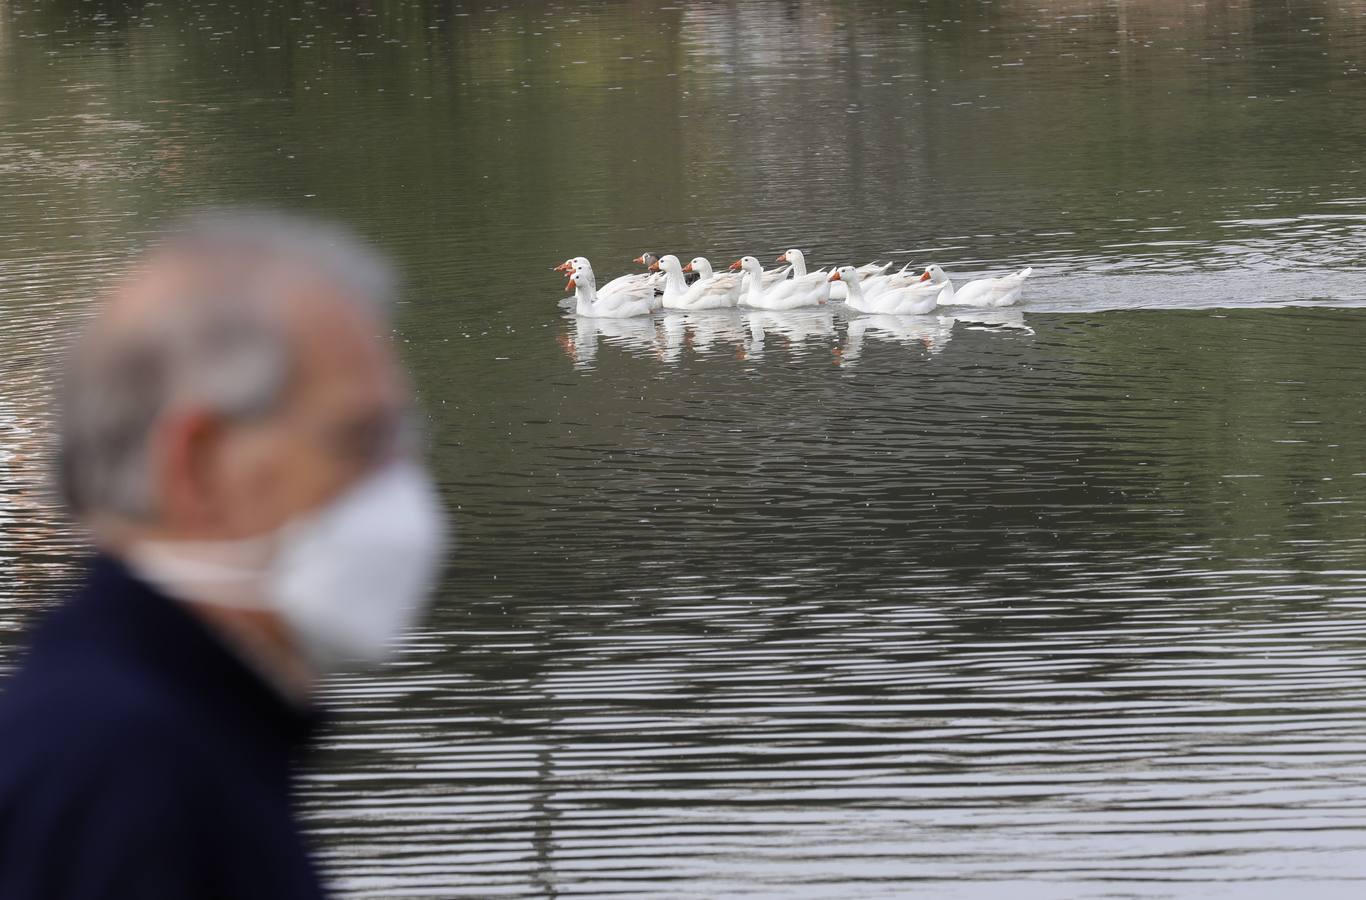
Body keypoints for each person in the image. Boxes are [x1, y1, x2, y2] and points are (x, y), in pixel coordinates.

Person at [0, 211, 448, 899]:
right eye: (361, 440)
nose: (403, 483)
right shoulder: (122, 773)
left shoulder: (182, 726)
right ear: (198, 464)